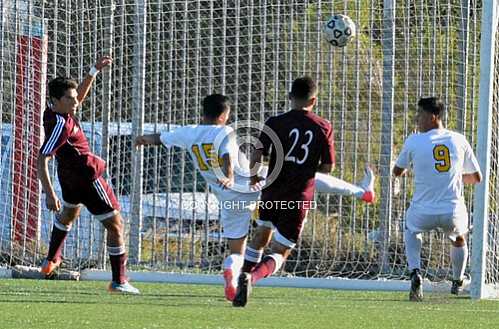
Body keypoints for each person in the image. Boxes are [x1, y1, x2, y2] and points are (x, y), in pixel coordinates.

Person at [135, 93, 375, 302]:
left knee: (236, 250)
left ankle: (232, 272)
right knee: (307, 176)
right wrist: (229, 175)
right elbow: (227, 155)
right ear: (225, 115)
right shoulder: (226, 131)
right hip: (250, 182)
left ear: (204, 112)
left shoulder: (188, 133)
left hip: (228, 199)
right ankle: (361, 192)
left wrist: (142, 140)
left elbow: (159, 139)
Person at [232, 76, 375, 307]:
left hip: (272, 192)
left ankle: (242, 278)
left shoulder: (275, 122)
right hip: (298, 196)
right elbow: (328, 168)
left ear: (290, 97)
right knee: (282, 250)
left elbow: (257, 155)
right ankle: (252, 277)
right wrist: (308, 167)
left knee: (261, 234)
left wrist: (255, 176)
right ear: (314, 100)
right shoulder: (323, 126)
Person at [38, 56, 139, 294]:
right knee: (116, 225)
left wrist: (93, 71)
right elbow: (42, 158)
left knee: (69, 214)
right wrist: (49, 194)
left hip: (70, 177)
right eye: (70, 99)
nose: (76, 102)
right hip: (88, 178)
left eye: (74, 98)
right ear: (56, 100)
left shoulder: (52, 111)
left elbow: (79, 97)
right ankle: (119, 281)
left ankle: (50, 261)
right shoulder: (61, 125)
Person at [393, 97, 481, 301]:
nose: (417, 120)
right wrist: (453, 176)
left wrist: (413, 169)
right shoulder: (458, 139)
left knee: (411, 230)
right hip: (452, 210)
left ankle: (415, 272)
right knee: (459, 239)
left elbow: (397, 171)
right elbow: (477, 177)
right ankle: (457, 281)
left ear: (433, 117)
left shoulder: (414, 140)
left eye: (420, 115)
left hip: (422, 211)